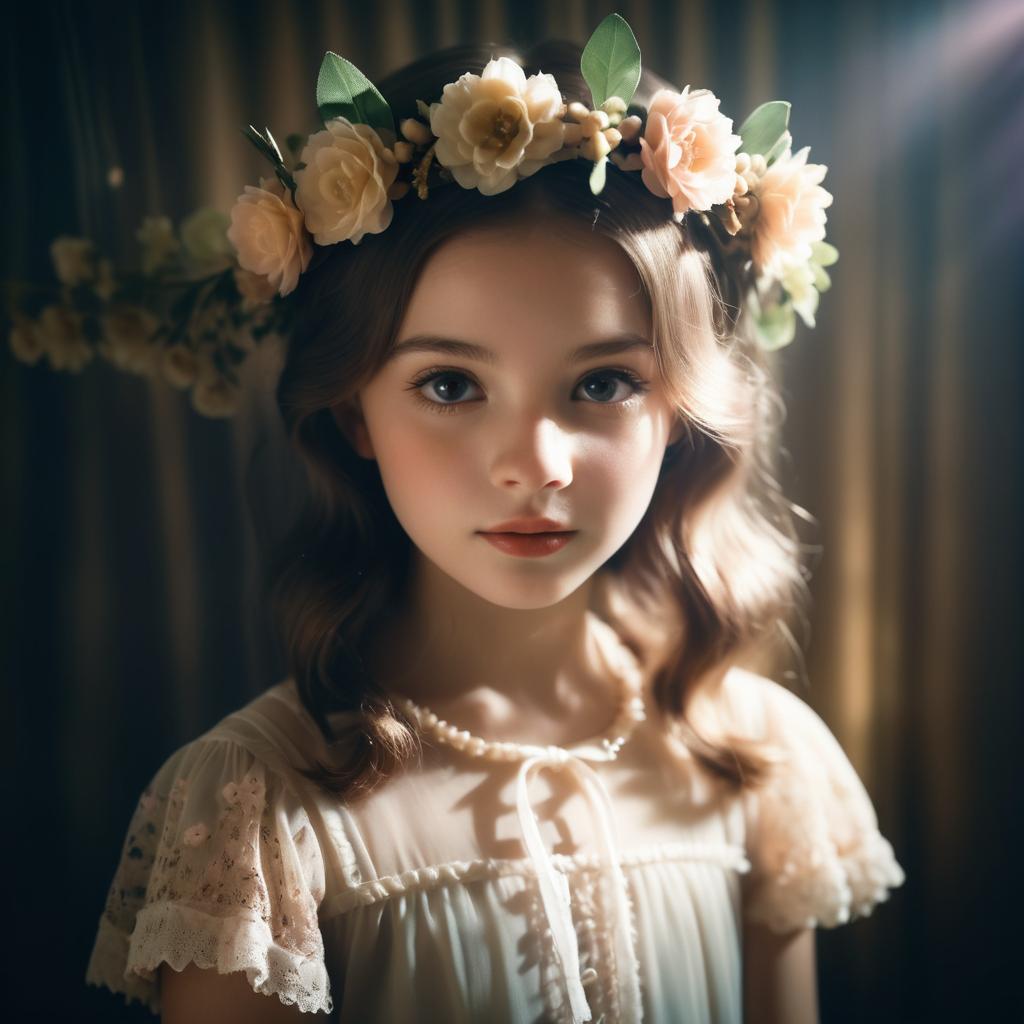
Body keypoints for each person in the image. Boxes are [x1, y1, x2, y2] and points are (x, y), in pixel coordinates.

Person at [82, 19, 905, 1024]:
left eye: (602, 381)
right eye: (450, 383)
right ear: (353, 412)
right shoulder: (259, 809)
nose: (535, 465)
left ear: (681, 407)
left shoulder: (754, 759)